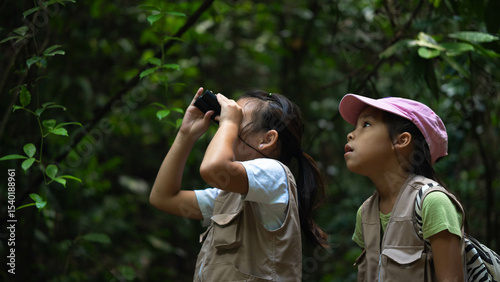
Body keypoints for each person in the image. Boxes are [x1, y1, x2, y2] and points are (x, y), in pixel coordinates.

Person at [150, 87, 328, 281]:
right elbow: (164, 197)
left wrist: (227, 121)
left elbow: (212, 170)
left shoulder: (275, 175)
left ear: (267, 140)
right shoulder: (227, 196)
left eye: (238, 119)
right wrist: (186, 135)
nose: (227, 125)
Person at [339, 93, 465, 281]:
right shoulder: (365, 213)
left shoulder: (432, 202)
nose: (351, 134)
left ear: (402, 140)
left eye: (366, 124)